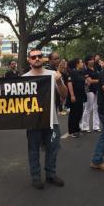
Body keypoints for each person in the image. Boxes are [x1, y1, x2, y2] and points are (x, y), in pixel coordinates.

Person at [23, 49, 67, 189]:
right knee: (33, 150)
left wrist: (59, 81)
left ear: (43, 59)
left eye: (39, 56)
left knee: (53, 148)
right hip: (33, 122)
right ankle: (36, 177)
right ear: (29, 60)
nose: (37, 58)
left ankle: (51, 175)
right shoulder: (24, 78)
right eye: (33, 57)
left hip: (51, 121)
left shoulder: (53, 75)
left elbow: (64, 95)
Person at [62, 58, 86, 138]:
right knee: (73, 113)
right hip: (74, 96)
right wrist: (72, 95)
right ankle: (72, 131)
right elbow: (69, 84)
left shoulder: (81, 72)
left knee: (79, 112)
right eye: (81, 62)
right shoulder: (72, 72)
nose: (82, 63)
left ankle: (77, 129)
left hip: (80, 95)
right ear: (77, 64)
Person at [81, 55, 101, 133]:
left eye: (92, 59)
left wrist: (98, 80)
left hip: (97, 89)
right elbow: (90, 81)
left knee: (97, 108)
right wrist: (100, 80)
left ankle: (96, 126)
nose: (92, 61)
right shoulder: (85, 70)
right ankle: (85, 126)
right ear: (86, 61)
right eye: (90, 60)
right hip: (89, 90)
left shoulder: (96, 68)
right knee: (88, 108)